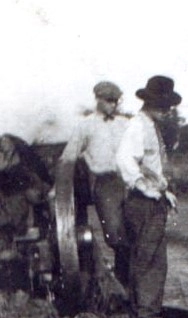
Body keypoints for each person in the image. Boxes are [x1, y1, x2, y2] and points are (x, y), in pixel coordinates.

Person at [115, 75, 181, 318]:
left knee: (146, 258)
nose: (168, 110)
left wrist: (165, 191)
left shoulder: (149, 125)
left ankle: (142, 313)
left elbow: (149, 166)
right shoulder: (137, 126)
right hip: (143, 204)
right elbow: (124, 160)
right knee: (150, 260)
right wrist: (145, 188)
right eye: (164, 105)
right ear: (152, 103)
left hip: (151, 199)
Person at [57, 81, 130, 288]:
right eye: (109, 101)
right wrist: (58, 187)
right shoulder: (85, 125)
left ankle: (130, 286)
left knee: (135, 233)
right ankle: (121, 283)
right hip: (105, 183)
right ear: (98, 99)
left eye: (116, 101)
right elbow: (69, 156)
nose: (113, 106)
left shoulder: (125, 123)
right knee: (115, 235)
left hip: (129, 180)